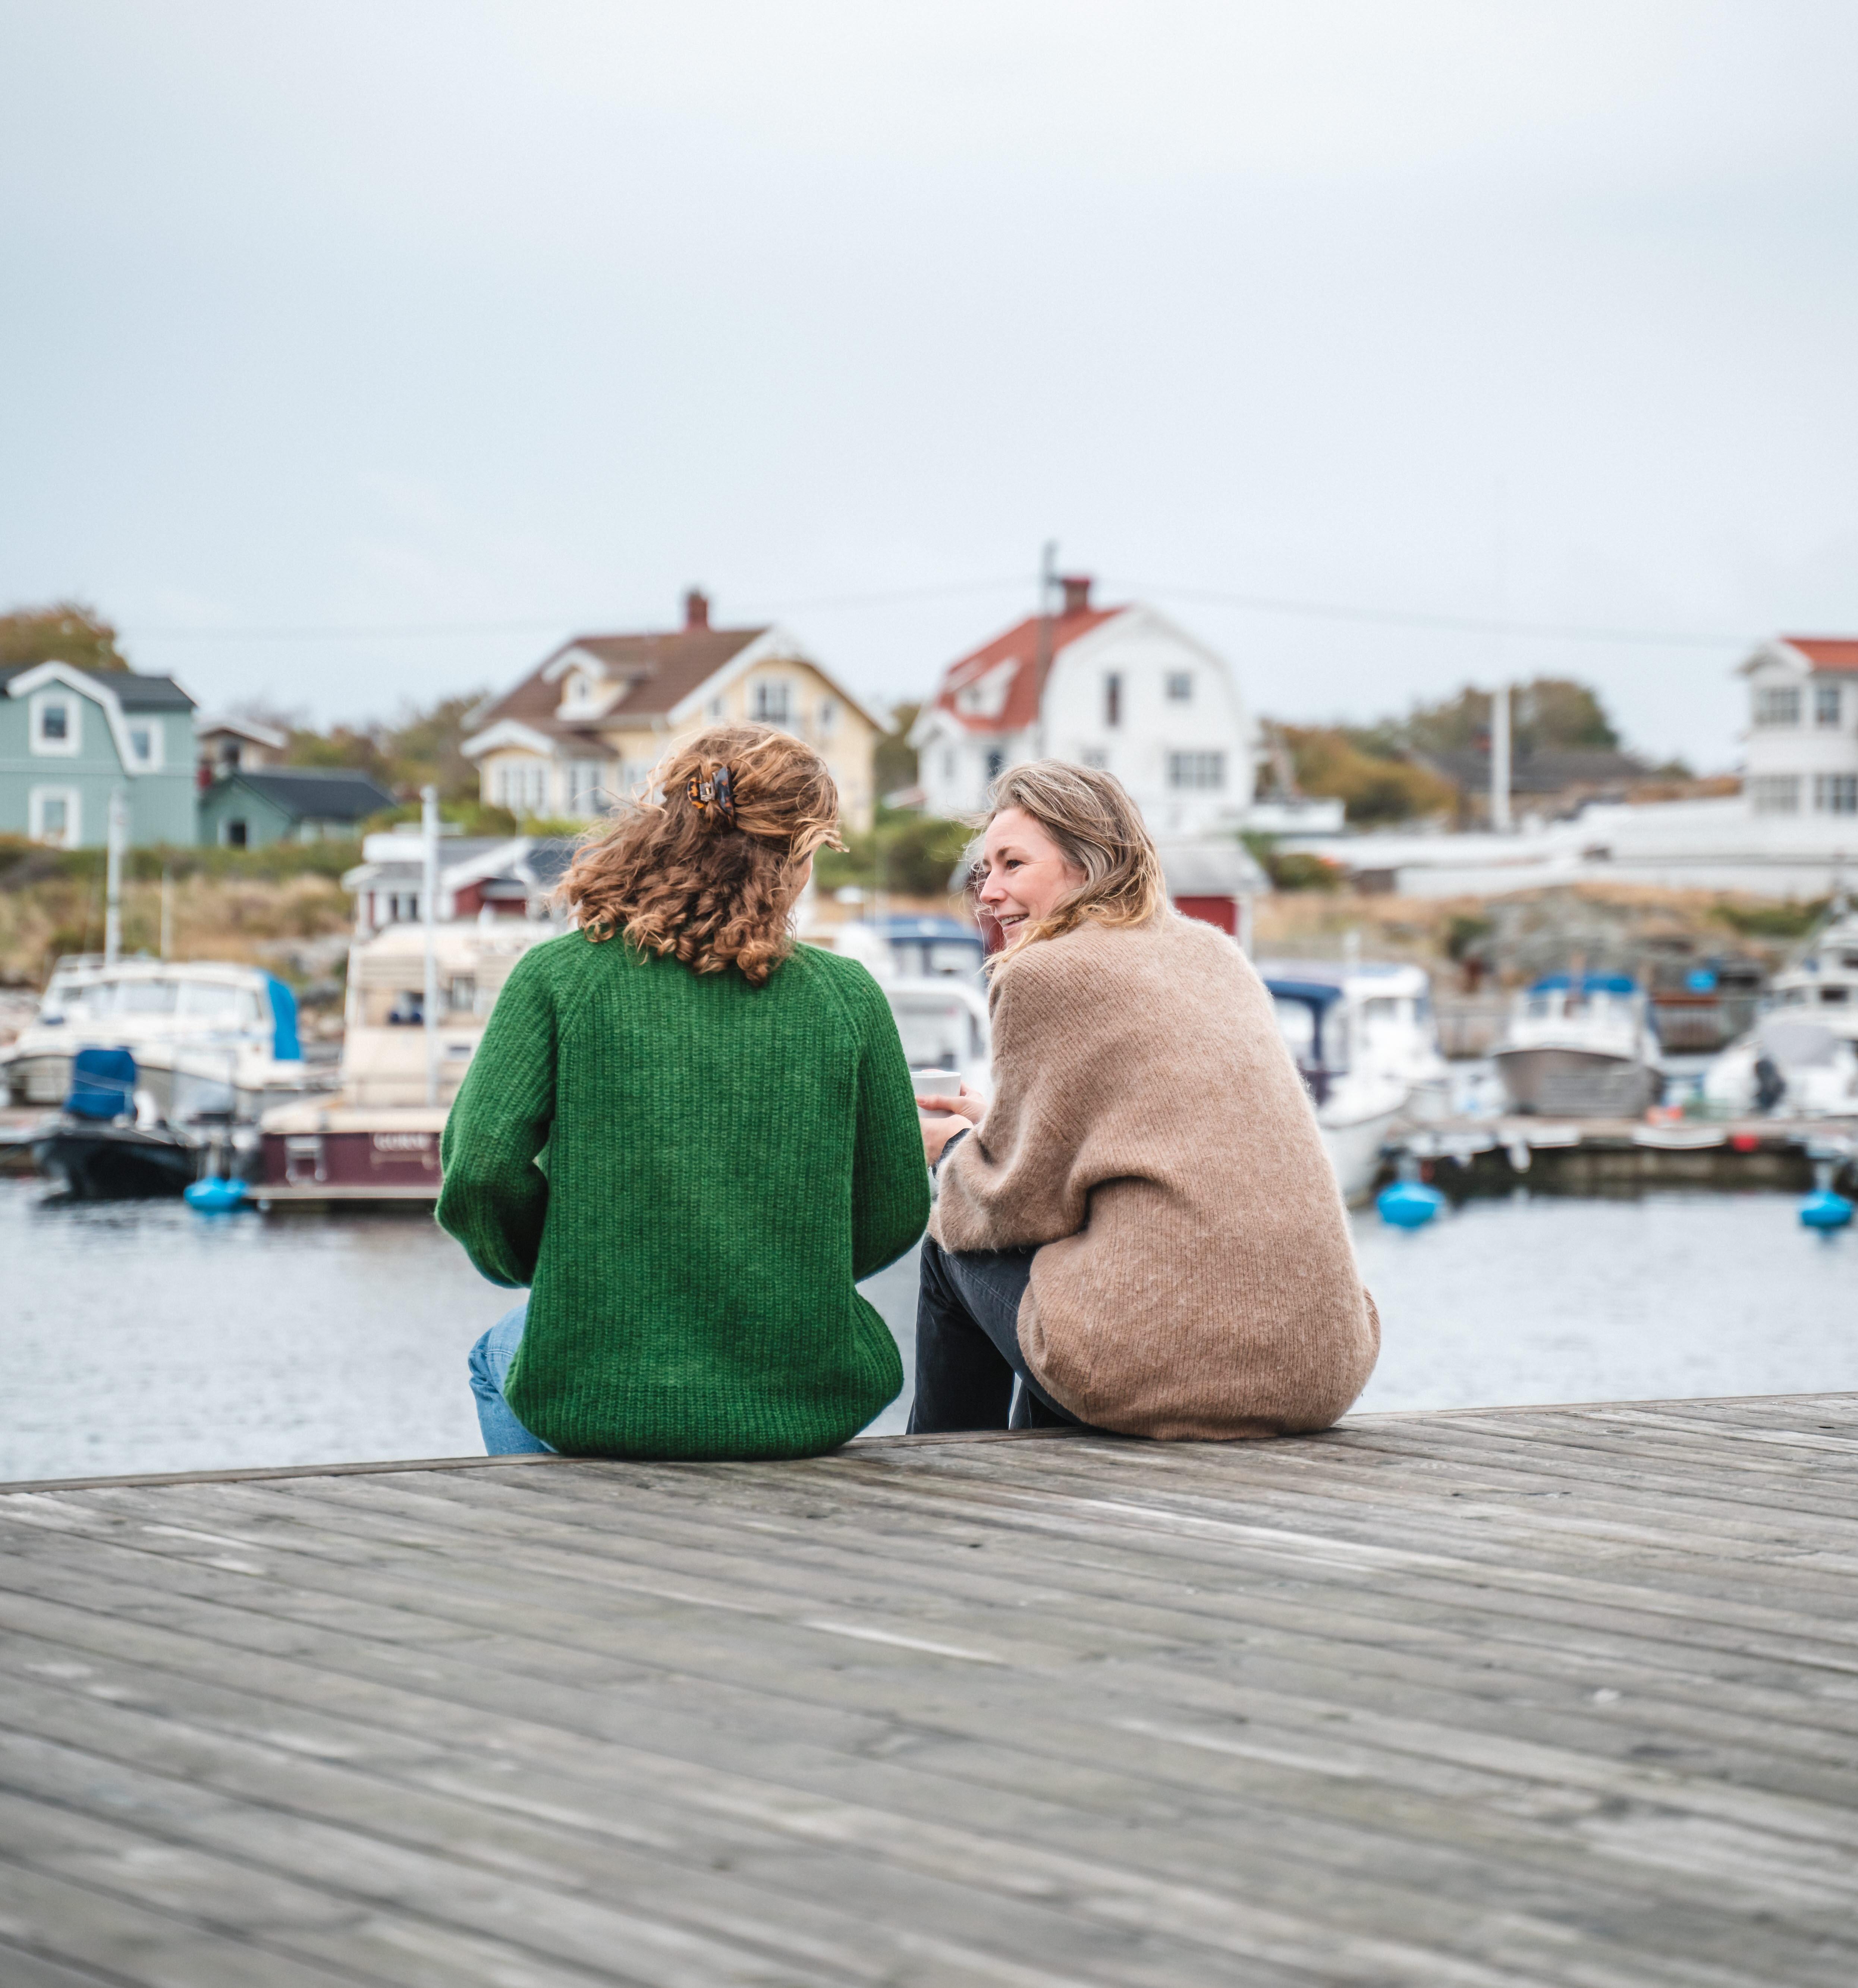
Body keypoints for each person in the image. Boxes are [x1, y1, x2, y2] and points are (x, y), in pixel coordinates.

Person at [438, 725, 930, 1460]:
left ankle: (553, 1539)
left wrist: (580, 1265)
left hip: (598, 1392)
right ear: (798, 855)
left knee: (494, 1358)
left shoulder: (555, 978)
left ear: (662, 831)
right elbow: (892, 1209)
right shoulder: (848, 998)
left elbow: (478, 1168)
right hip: (802, 1400)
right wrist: (784, 1266)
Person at [911, 760, 1378, 1439]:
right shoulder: (1215, 953)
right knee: (1071, 1267)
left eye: (1013, 864)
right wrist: (1005, 1129)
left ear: (1087, 862)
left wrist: (952, 1151)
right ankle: (1037, 1458)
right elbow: (1139, 1138)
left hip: (1159, 1368)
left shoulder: (1044, 970)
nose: (990, 892)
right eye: (987, 871)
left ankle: (944, 1474)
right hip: (1319, 1371)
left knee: (951, 1242)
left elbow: (1017, 1206)